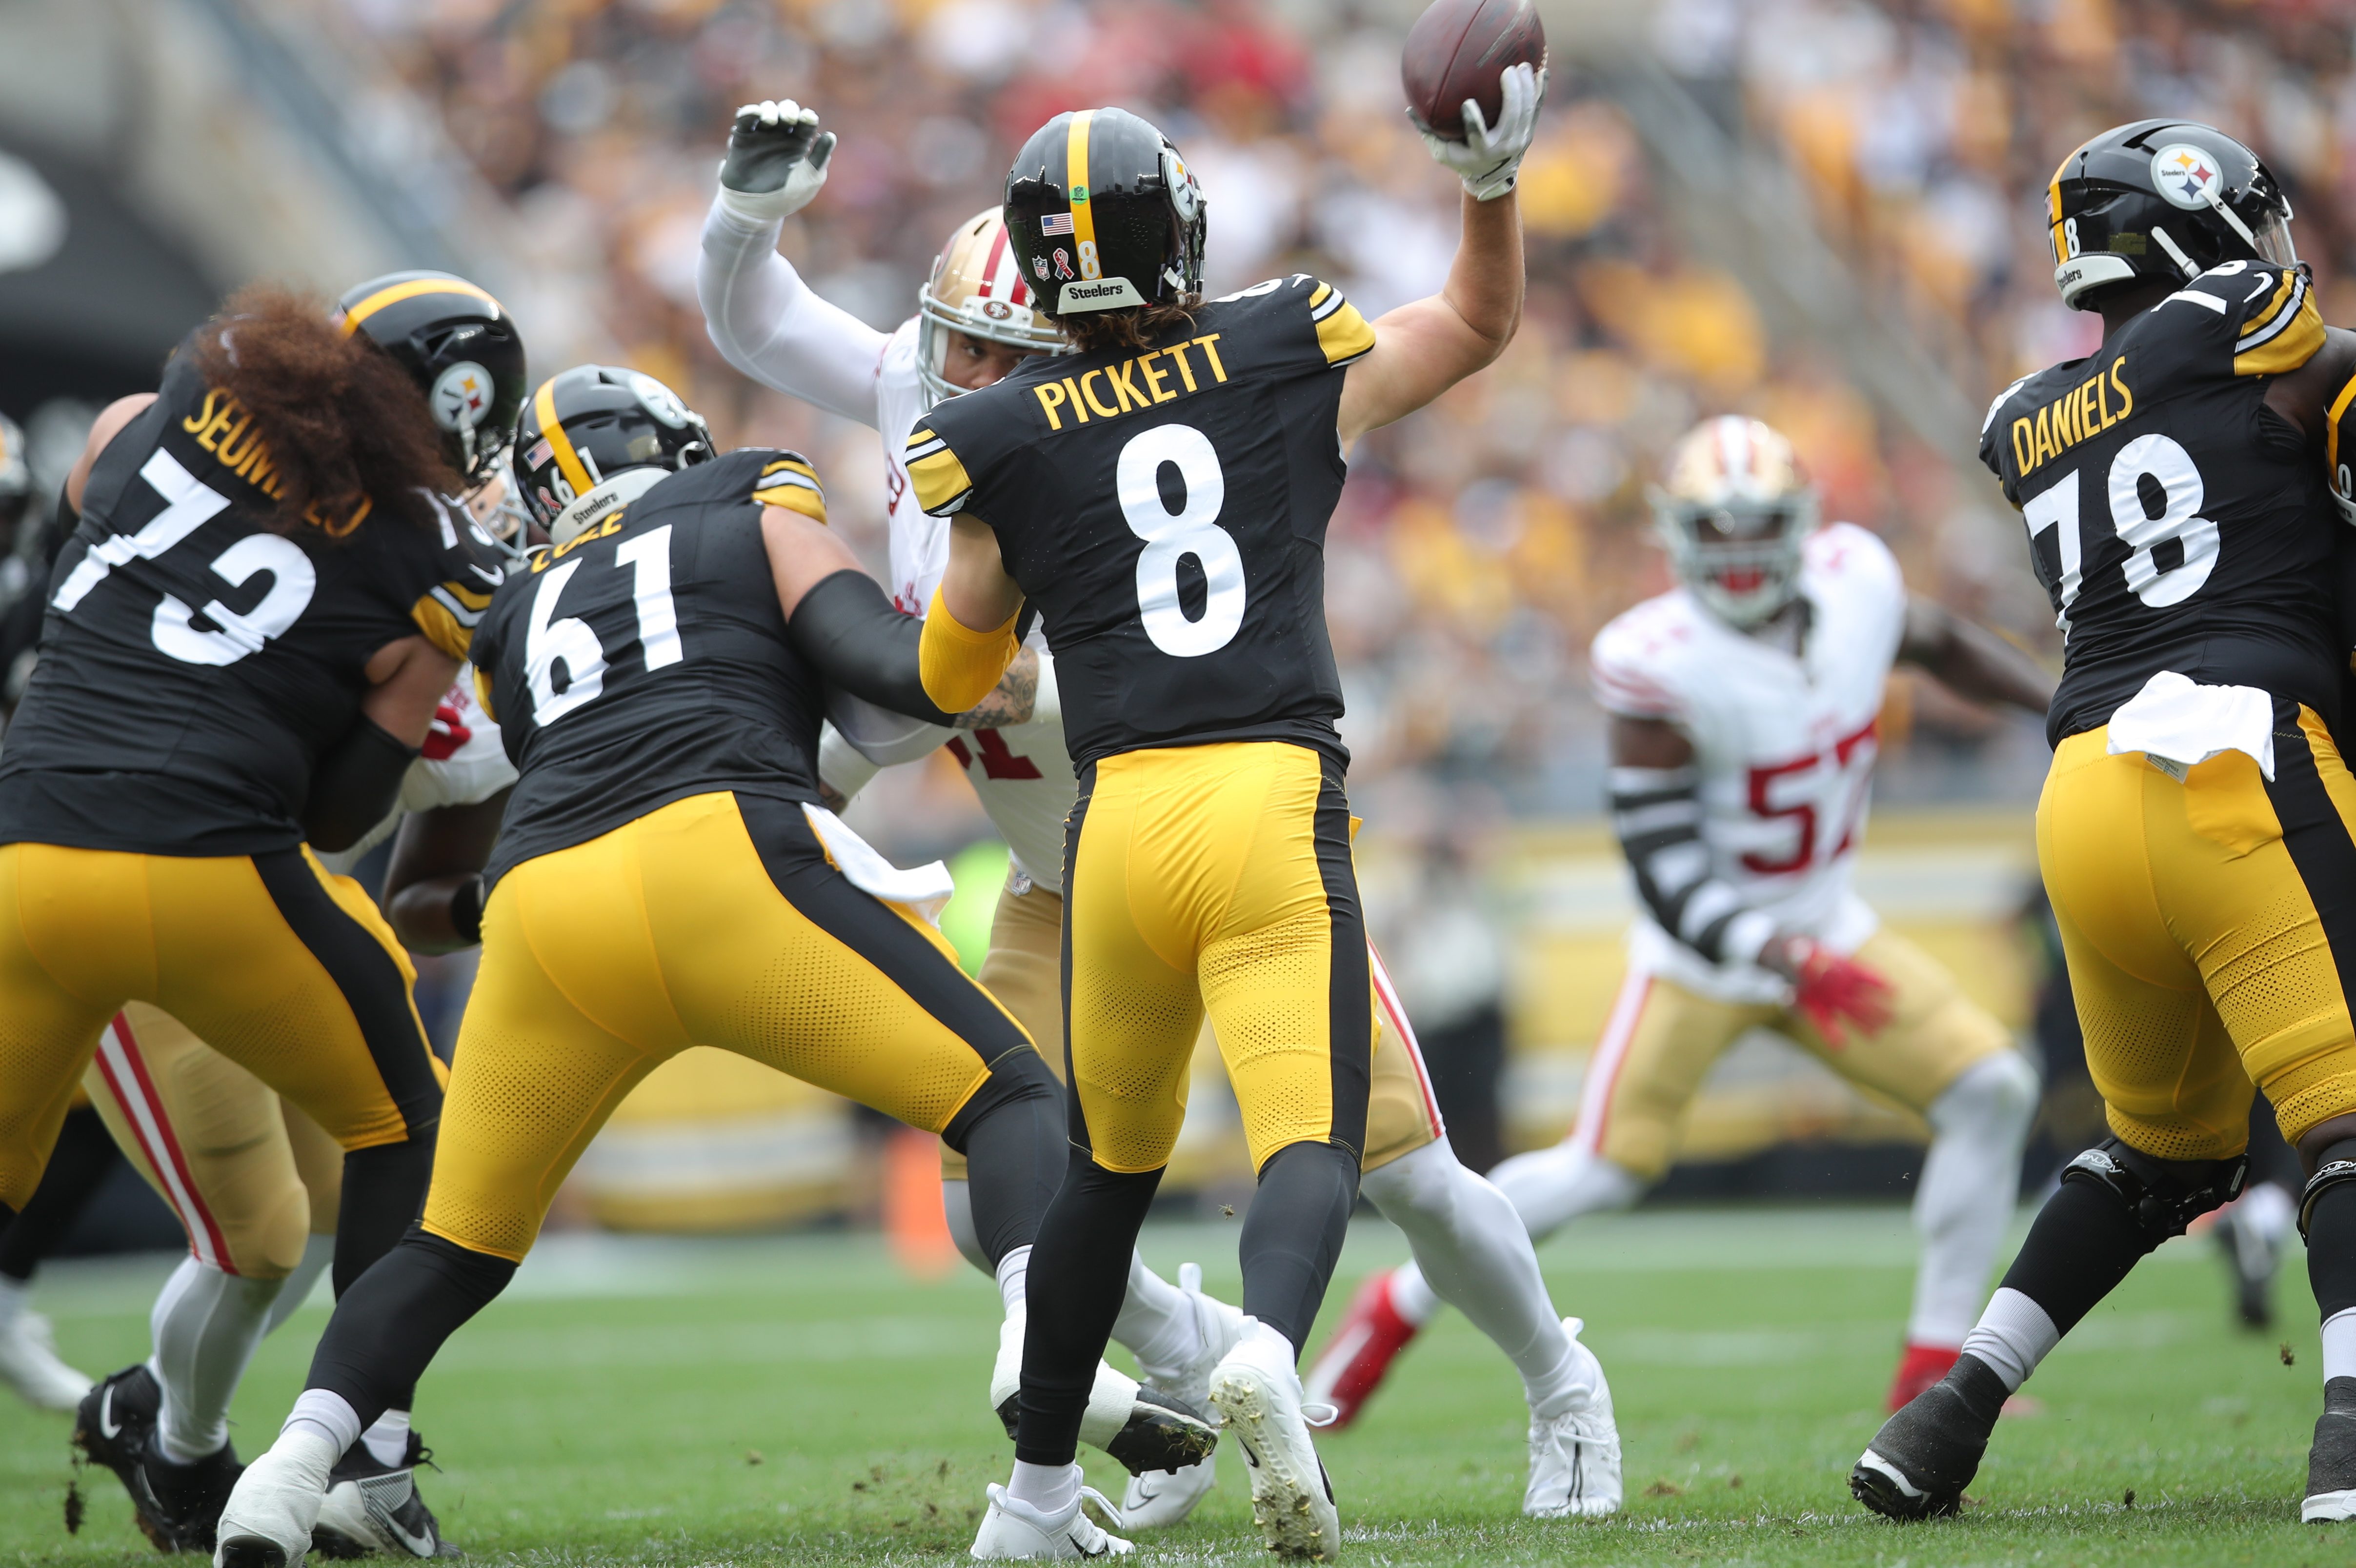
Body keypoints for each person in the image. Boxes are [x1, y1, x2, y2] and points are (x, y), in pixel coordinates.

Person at [698, 98, 1614, 1530]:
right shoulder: (971, 409)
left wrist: (921, 686)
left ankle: (1558, 1374)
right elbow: (763, 324)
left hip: (1155, 814)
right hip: (1086, 874)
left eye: (997, 353)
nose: (962, 370)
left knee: (1415, 1179)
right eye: (956, 344)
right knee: (988, 1195)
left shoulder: (1034, 441)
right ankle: (1196, 1356)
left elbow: (946, 678)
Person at [211, 365, 1211, 1566]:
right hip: (724, 862)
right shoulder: (747, 503)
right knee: (1009, 1097)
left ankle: (289, 1468)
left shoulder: (516, 604)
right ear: (674, 443)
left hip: (545, 907)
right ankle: (1030, 1336)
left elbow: (424, 899)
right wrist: (1000, 615)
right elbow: (899, 666)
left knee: (451, 1244)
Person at [910, 70, 1558, 1559]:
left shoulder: (995, 435)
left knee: (1103, 1175)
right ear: (1179, 235)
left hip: (1114, 825)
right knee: (1306, 1136)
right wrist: (1485, 183)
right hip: (1265, 790)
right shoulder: (1277, 347)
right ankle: (1266, 1338)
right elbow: (1474, 323)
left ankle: (1029, 1504)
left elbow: (956, 662)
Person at [1314, 416, 2051, 1425]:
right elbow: (1661, 866)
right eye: (1718, 530)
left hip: (1826, 927)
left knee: (1993, 1090)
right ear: (1678, 533)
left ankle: (1931, 1378)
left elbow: (1941, 642)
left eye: (1760, 529)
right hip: (1705, 960)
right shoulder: (1659, 658)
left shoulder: (1858, 585)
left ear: (1800, 526)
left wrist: (2059, 701)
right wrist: (1769, 949)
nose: (1740, 555)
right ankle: (1394, 1305)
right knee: (1603, 1169)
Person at [1852, 119, 2356, 1525]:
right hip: (2236, 759)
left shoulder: (2018, 413)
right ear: (2198, 229)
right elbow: (2310, 353)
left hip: (2080, 791)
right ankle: (2348, 1431)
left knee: (2161, 1152)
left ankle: (1947, 1410)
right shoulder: (2234, 323)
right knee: (2340, 1126)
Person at [0, 272, 522, 1550]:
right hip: (209, 869)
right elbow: (341, 813)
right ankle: (367, 1443)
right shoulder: (445, 561)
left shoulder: (163, 407)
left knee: (248, 1228)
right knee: (410, 1121)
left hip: (21, 859)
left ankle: (187, 1444)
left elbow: (84, 531)